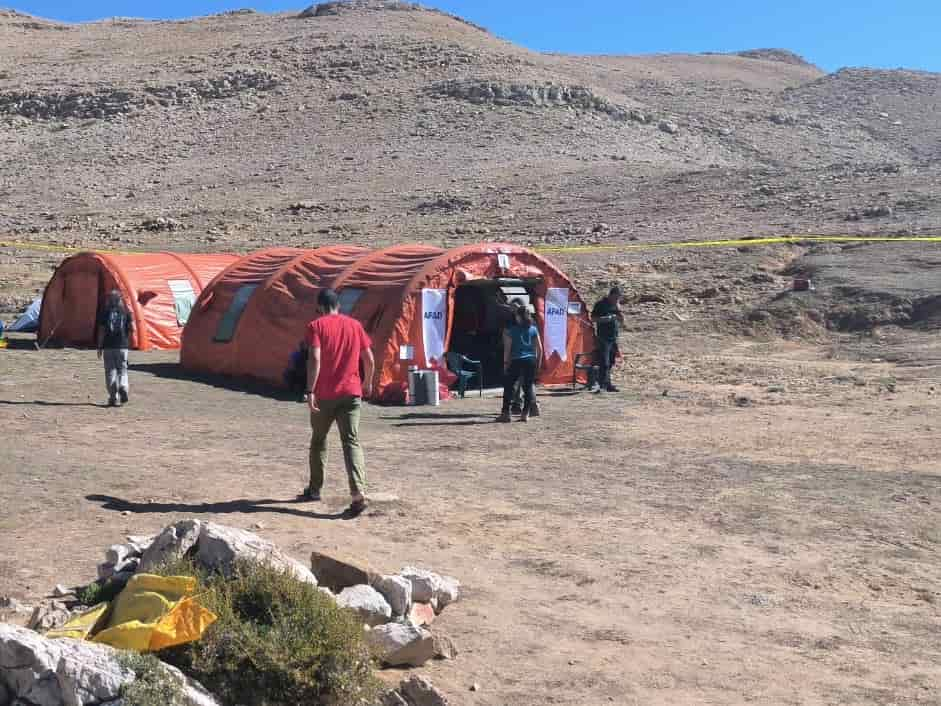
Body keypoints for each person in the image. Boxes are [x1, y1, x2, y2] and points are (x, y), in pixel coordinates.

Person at [305, 288, 375, 516]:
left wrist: (310, 390)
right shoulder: (355, 325)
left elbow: (315, 358)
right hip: (352, 392)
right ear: (339, 305)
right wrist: (367, 383)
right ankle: (358, 493)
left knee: (319, 441)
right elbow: (369, 359)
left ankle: (315, 489)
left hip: (325, 395)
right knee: (351, 441)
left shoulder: (316, 326)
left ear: (320, 307)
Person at [497, 304, 543, 423]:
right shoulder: (533, 329)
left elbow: (507, 349)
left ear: (519, 317)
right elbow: (539, 349)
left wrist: (505, 364)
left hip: (516, 360)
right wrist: (538, 363)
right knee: (527, 387)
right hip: (530, 361)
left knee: (509, 387)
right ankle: (525, 414)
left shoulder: (511, 331)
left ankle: (505, 413)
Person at [96, 290, 133, 407]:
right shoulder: (126, 312)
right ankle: (123, 386)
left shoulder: (105, 313)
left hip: (108, 346)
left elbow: (101, 331)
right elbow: (131, 330)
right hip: (122, 346)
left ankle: (113, 397)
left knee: (110, 372)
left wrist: (100, 346)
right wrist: (128, 345)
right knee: (122, 370)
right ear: (120, 299)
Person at [591, 286, 625, 393]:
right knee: (604, 362)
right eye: (616, 297)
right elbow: (593, 318)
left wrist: (619, 314)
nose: (617, 300)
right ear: (611, 295)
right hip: (603, 337)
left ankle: (607, 383)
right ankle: (601, 385)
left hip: (613, 337)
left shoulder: (616, 305)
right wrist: (607, 319)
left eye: (619, 298)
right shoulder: (601, 304)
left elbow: (622, 320)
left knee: (611, 361)